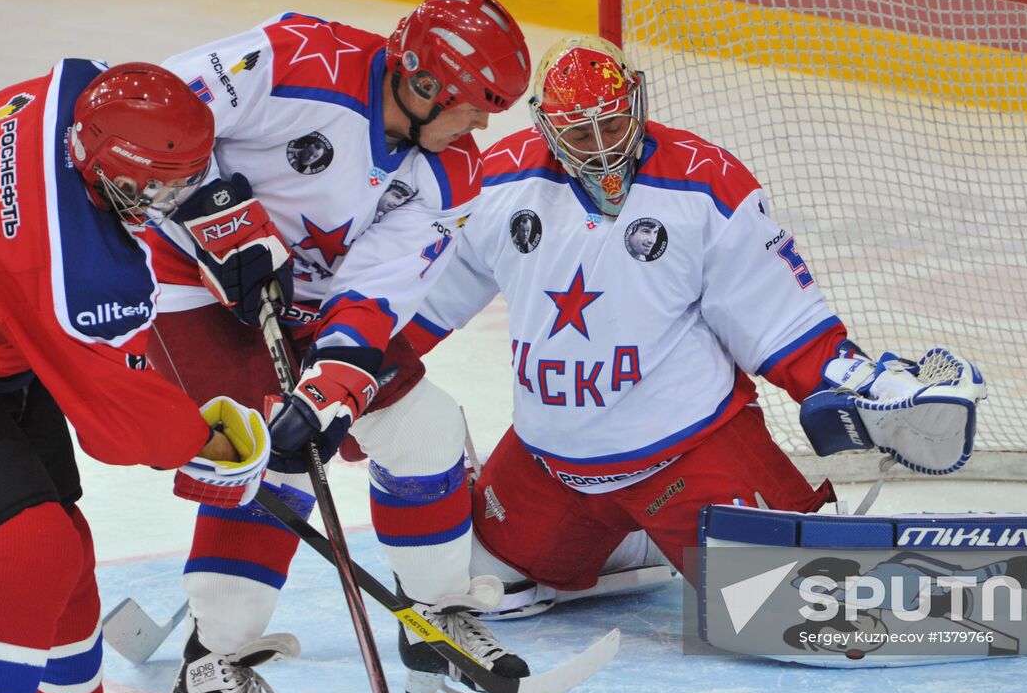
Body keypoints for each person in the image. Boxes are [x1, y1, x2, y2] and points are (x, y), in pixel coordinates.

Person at [402, 37, 985, 612]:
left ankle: (678, 524)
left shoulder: (704, 181)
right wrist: (362, 375)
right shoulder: (499, 182)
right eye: (581, 133)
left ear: (637, 102)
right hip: (550, 465)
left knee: (806, 605)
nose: (602, 148)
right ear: (546, 128)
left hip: (687, 457)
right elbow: (426, 299)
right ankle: (634, 537)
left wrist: (857, 382)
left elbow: (781, 320)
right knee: (481, 582)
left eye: (613, 124)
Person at [136, 0, 533, 693]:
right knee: (265, 453)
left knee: (424, 429)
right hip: (183, 282)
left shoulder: (452, 172)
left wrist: (332, 394)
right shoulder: (296, 58)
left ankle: (434, 629)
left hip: (305, 302)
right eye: (475, 102)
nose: (483, 122)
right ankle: (209, 671)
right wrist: (218, 214)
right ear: (423, 83)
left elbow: (377, 293)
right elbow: (157, 111)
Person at [0, 61, 271, 693]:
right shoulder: (73, 274)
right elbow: (120, 432)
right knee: (35, 554)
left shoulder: (69, 97)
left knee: (67, 543)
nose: (170, 198)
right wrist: (207, 441)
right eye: (157, 186)